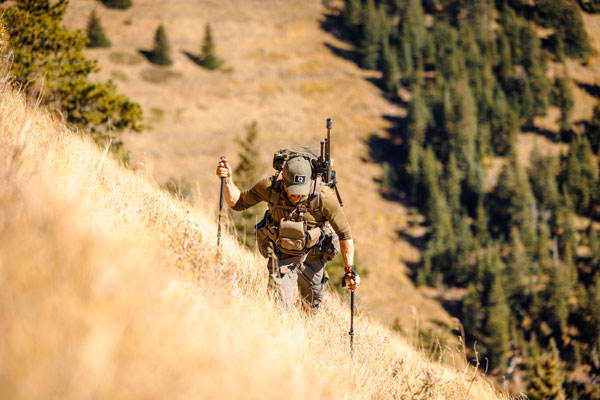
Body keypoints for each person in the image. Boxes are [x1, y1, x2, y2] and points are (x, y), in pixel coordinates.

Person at [216, 155, 360, 311]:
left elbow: (344, 234)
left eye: (300, 190)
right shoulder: (270, 187)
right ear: (283, 179)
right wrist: (227, 180)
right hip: (282, 256)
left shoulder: (324, 197)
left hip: (313, 257)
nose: (296, 195)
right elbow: (237, 202)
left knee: (310, 308)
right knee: (280, 306)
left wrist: (350, 270)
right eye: (292, 190)